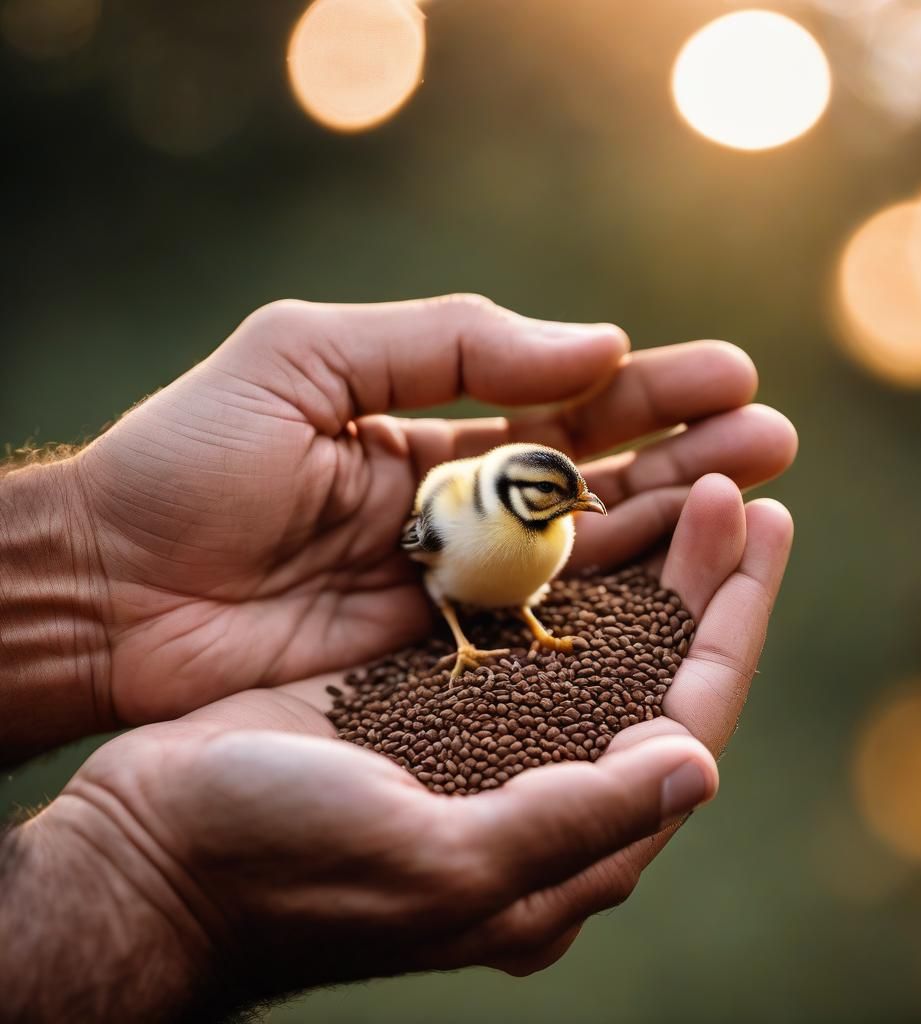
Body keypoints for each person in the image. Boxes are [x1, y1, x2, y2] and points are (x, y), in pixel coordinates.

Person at [0, 295, 796, 1022]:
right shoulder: (456, 514)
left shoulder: (551, 532)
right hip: (448, 602)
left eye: (574, 500)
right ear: (515, 497)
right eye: (559, 499)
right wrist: (154, 882)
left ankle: (527, 622)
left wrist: (76, 568)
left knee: (531, 601)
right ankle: (461, 640)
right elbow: (427, 551)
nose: (576, 511)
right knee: (466, 604)